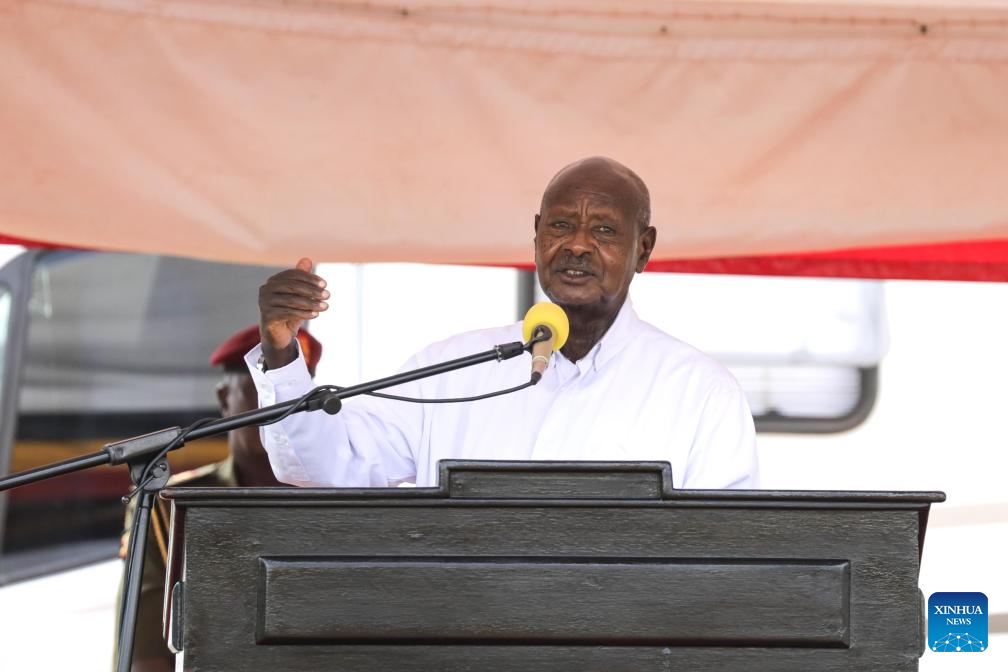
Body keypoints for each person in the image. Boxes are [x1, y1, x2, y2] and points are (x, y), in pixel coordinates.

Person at [247, 156, 758, 489]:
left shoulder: (699, 391)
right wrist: (281, 351)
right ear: (537, 236)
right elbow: (320, 465)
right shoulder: (450, 369)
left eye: (604, 230)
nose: (578, 245)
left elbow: (723, 554)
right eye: (561, 225)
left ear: (643, 249)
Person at [114, 325, 321, 672]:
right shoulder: (171, 504)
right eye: (261, 390)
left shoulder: (336, 501)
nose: (278, 407)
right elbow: (145, 651)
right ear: (225, 399)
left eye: (293, 392)